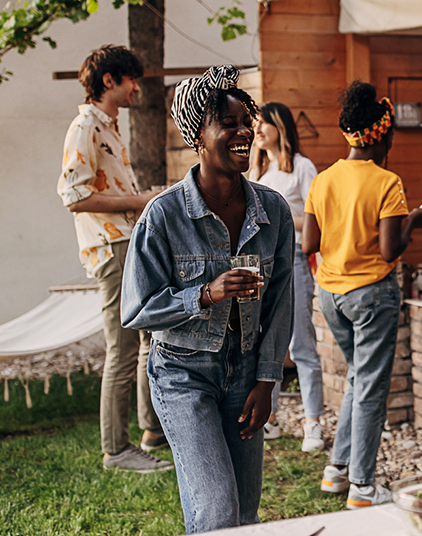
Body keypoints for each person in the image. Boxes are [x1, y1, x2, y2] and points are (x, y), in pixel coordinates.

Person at [121, 65, 294, 533]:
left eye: (246, 122)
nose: (244, 132)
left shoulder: (272, 210)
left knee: (244, 517)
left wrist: (266, 380)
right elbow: (136, 309)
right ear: (198, 134)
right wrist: (205, 294)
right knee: (216, 513)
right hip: (182, 375)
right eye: (229, 123)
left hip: (245, 373)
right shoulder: (163, 215)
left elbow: (280, 303)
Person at [303, 81, 422, 509]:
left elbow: (307, 245)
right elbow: (391, 250)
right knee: (372, 387)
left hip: (330, 296)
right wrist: (412, 222)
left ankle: (337, 470)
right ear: (383, 136)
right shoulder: (387, 183)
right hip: (372, 295)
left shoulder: (322, 181)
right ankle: (363, 485)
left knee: (358, 377)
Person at [57, 45, 172, 473]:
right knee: (122, 348)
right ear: (110, 81)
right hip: (110, 247)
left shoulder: (109, 126)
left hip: (126, 241)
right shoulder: (85, 125)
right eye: (131, 81)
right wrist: (140, 199)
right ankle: (116, 450)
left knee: (145, 336)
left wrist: (144, 203)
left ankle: (153, 430)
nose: (136, 88)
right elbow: (74, 196)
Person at [248, 102, 326, 452]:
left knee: (301, 346)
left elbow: (316, 222)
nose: (258, 129)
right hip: (263, 266)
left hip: (293, 261)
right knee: (267, 344)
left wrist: (278, 219)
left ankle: (313, 424)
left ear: (281, 126)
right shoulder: (260, 172)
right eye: (256, 124)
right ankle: (271, 419)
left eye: (264, 123)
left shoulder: (302, 168)